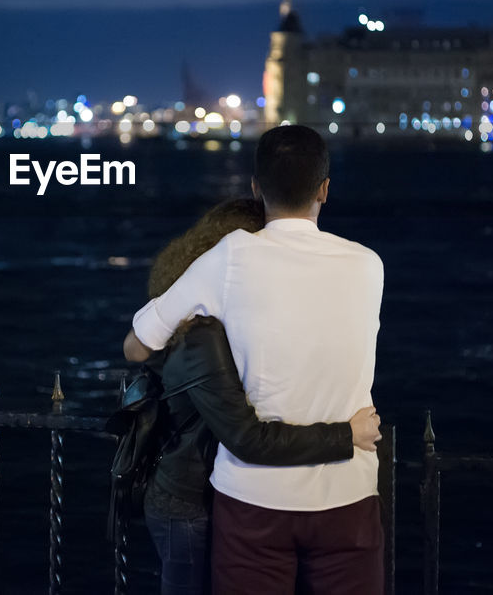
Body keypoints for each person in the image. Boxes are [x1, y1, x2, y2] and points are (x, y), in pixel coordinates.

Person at [124, 125, 385, 593]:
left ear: (255, 187)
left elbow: (139, 341)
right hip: (348, 494)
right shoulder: (369, 264)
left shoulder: (232, 257)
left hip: (252, 499)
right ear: (325, 189)